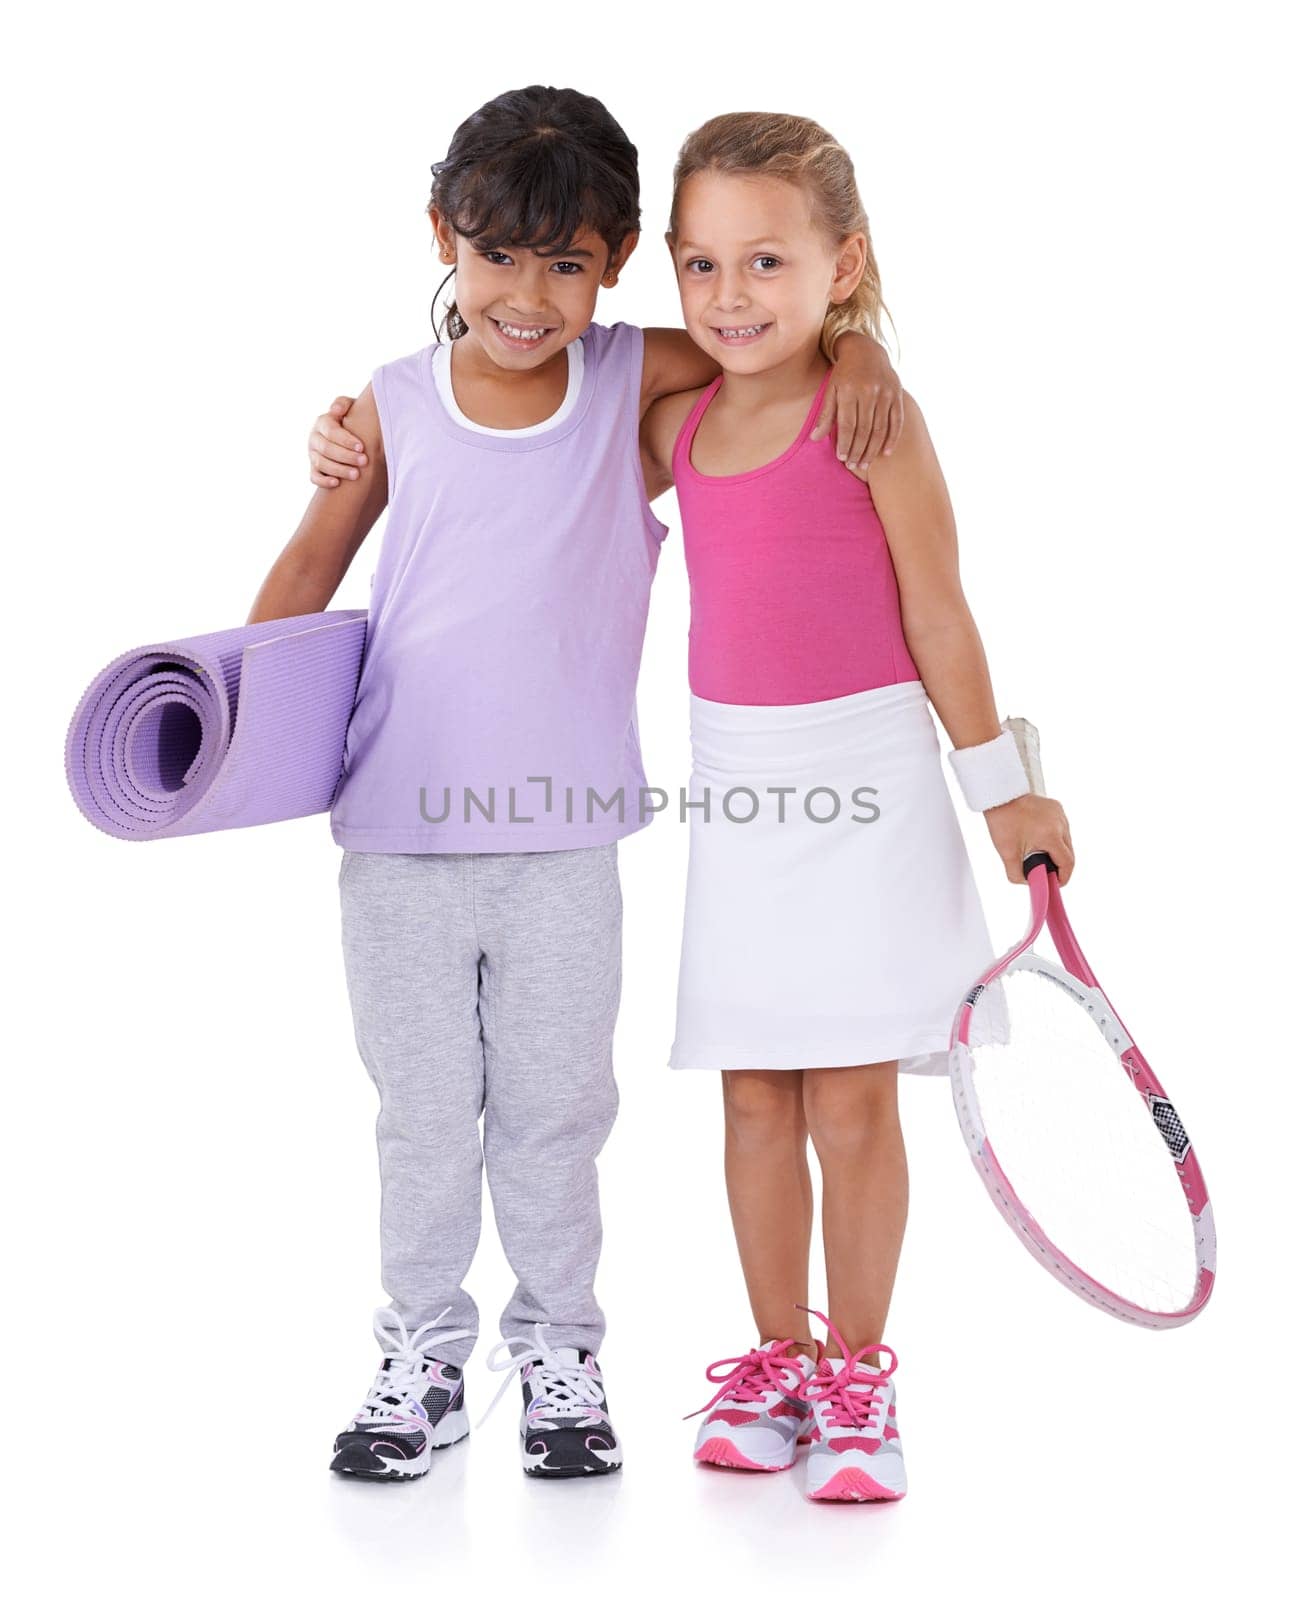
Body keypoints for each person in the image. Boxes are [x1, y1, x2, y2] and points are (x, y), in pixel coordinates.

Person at [256, 84, 902, 1483]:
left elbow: (765, 351)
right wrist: (221, 733)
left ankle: (561, 1353)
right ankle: (423, 1351)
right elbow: (304, 585)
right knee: (422, 1111)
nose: (529, 295)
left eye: (568, 263)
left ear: (615, 261)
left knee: (557, 1112)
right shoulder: (387, 407)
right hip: (398, 838)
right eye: (497, 255)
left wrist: (860, 363)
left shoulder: (628, 380)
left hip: (563, 848)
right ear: (445, 234)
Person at [630, 111, 1074, 1503]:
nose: (732, 296)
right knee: (755, 1096)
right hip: (743, 788)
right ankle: (774, 1365)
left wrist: (1004, 792)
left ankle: (859, 1379)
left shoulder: (872, 415)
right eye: (700, 266)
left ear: (845, 260)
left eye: (769, 261)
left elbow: (940, 615)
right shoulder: (677, 419)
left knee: (851, 1101)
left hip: (871, 776)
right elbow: (546, 389)